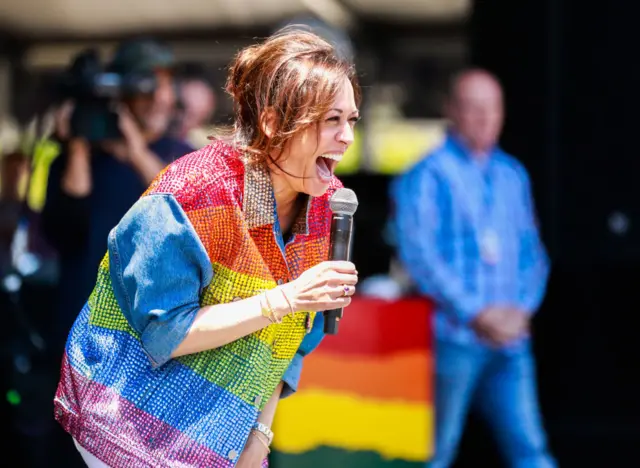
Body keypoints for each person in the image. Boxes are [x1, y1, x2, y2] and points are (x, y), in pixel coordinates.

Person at [54, 27, 361, 468]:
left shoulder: (327, 207)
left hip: (213, 435)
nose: (347, 136)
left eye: (351, 119)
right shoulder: (194, 191)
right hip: (124, 424)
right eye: (331, 119)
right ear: (273, 122)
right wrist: (286, 298)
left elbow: (292, 341)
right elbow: (167, 332)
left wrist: (259, 433)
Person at [392, 69, 556, 468]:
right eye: (473, 108)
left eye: (493, 108)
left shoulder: (512, 174)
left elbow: (533, 254)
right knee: (434, 453)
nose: (485, 118)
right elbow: (419, 255)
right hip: (452, 337)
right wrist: (477, 313)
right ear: (452, 111)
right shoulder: (425, 174)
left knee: (530, 449)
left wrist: (521, 311)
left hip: (511, 340)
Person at [42, 38, 193, 356]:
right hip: (83, 330)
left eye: (166, 86)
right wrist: (80, 143)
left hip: (151, 334)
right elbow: (64, 231)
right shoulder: (75, 159)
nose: (160, 98)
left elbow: (187, 207)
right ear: (118, 93)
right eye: (148, 86)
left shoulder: (181, 157)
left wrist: (135, 152)